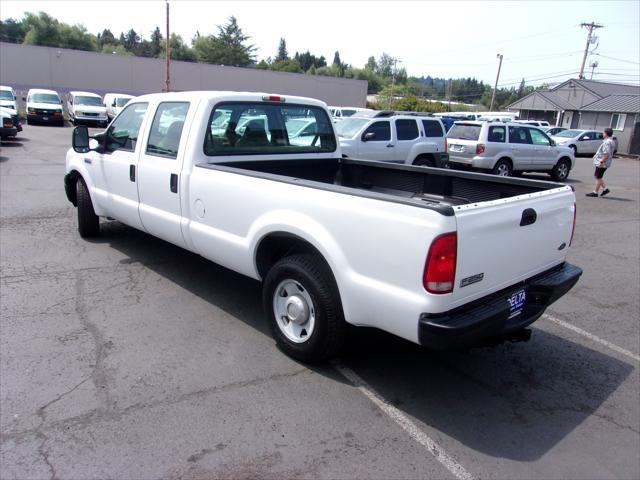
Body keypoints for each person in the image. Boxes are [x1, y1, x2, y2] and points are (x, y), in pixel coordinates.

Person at [586, 127, 616, 197]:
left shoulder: (607, 142)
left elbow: (606, 153)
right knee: (599, 176)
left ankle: (595, 192)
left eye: (603, 133)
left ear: (606, 134)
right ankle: (605, 189)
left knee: (597, 177)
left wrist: (602, 162)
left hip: (603, 162)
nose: (603, 134)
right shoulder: (611, 141)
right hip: (606, 162)